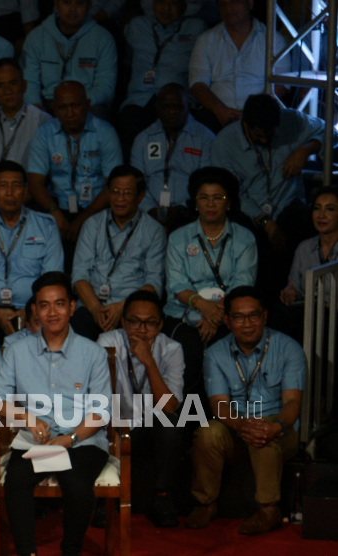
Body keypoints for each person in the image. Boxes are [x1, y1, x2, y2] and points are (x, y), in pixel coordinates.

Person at [0, 271, 111, 556]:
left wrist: (69, 438)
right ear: (35, 310)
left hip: (82, 441)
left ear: (71, 307)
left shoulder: (93, 353)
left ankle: (70, 550)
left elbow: (102, 410)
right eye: (44, 305)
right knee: (16, 481)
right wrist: (28, 419)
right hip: (36, 441)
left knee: (77, 486)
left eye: (59, 304)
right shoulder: (17, 351)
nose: (52, 312)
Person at [187, 286, 303, 534]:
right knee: (207, 432)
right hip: (236, 426)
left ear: (265, 316)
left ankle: (268, 510)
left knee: (263, 434)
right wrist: (242, 425)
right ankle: (205, 504)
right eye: (239, 317)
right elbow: (219, 404)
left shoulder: (289, 348)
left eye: (254, 316)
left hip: (280, 427)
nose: (247, 323)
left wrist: (276, 426)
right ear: (227, 321)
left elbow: (293, 402)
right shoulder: (216, 353)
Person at [211, 94, 326, 296]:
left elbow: (328, 132)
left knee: (304, 229)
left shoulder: (291, 120)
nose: (264, 140)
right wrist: (266, 223)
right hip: (247, 210)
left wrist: (305, 149)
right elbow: (231, 193)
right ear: (245, 124)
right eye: (258, 136)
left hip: (286, 203)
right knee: (254, 245)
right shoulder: (225, 143)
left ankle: (300, 298)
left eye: (269, 135)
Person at [163, 166, 257, 406]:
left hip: (228, 313)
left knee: (220, 350)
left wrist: (216, 316)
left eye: (218, 198)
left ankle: (221, 422)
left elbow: (242, 283)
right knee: (189, 351)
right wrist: (206, 308)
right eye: (203, 197)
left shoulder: (245, 238)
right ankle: (185, 424)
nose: (210, 204)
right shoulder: (178, 238)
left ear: (229, 203)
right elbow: (176, 283)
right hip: (183, 313)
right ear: (195, 202)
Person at [96, 289, 184, 528]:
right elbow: (99, 396)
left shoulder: (172, 349)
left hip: (153, 423)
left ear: (161, 325)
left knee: (172, 423)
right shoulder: (108, 343)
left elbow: (169, 405)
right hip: (117, 419)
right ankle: (105, 500)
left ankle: (162, 498)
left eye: (150, 324)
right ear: (123, 322)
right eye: (134, 322)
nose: (142, 330)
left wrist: (149, 361)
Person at [0, 160, 63, 342]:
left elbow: (51, 278)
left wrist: (30, 309)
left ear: (25, 190)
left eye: (16, 186)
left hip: (35, 309)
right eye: (2, 186)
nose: (9, 193)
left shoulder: (46, 226)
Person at [71, 166, 167, 341]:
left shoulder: (154, 231)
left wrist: (123, 307)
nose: (119, 199)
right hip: (92, 306)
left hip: (132, 309)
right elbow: (79, 275)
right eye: (115, 192)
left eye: (127, 193)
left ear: (140, 196)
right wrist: (95, 309)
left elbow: (153, 284)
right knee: (78, 330)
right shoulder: (92, 225)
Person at [27, 81, 122, 249]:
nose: (70, 113)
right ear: (54, 108)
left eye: (75, 106)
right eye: (63, 108)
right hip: (57, 205)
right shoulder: (44, 134)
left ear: (87, 104)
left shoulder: (105, 132)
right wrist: (55, 212)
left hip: (95, 207)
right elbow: (35, 182)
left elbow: (113, 184)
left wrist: (84, 218)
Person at [118, 0, 206, 151]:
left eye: (173, 3)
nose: (166, 8)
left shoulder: (196, 28)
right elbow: (126, 64)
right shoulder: (137, 26)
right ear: (153, 5)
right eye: (161, 2)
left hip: (178, 100)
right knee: (129, 121)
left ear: (183, 7)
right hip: (141, 98)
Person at [188, 0, 289, 132]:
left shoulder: (273, 39)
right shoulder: (206, 40)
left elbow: (283, 84)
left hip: (262, 114)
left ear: (250, 3)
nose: (228, 8)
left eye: (234, 1)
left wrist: (254, 111)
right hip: (216, 114)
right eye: (222, 4)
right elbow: (197, 84)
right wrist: (220, 110)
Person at [131, 83, 214, 232]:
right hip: (148, 214)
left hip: (191, 215)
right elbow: (137, 182)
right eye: (166, 107)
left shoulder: (205, 138)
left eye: (178, 107)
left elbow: (206, 183)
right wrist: (151, 210)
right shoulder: (143, 139)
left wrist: (182, 209)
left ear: (188, 106)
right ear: (157, 108)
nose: (171, 112)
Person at [0, 58, 52, 212]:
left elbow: (44, 177)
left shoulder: (43, 121)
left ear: (24, 85)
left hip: (29, 200)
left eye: (13, 83)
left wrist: (16, 205)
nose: (7, 90)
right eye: (0, 85)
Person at [21, 0, 117, 117]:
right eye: (66, 2)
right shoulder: (36, 37)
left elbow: (106, 85)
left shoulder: (103, 38)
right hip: (49, 101)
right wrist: (35, 106)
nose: (73, 8)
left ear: (89, 5)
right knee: (30, 116)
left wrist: (79, 103)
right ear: (56, 4)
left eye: (80, 3)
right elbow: (29, 80)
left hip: (86, 102)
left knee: (97, 114)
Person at [274, 186, 338, 341]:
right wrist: (292, 294)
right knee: (278, 315)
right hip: (308, 313)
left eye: (329, 209)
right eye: (317, 208)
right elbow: (295, 286)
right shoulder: (304, 247)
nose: (321, 215)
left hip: (333, 316)